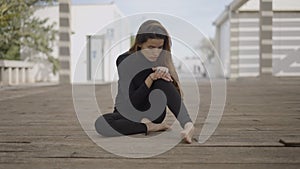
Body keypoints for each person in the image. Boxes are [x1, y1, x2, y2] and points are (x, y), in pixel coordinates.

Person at [95, 20, 195, 143]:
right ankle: (149, 127)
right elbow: (133, 102)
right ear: (140, 44)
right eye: (151, 47)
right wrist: (150, 78)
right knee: (101, 124)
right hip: (127, 111)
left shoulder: (161, 61)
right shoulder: (124, 60)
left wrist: (164, 74)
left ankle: (188, 125)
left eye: (160, 47)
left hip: (153, 114)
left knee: (161, 81)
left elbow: (173, 94)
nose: (156, 52)